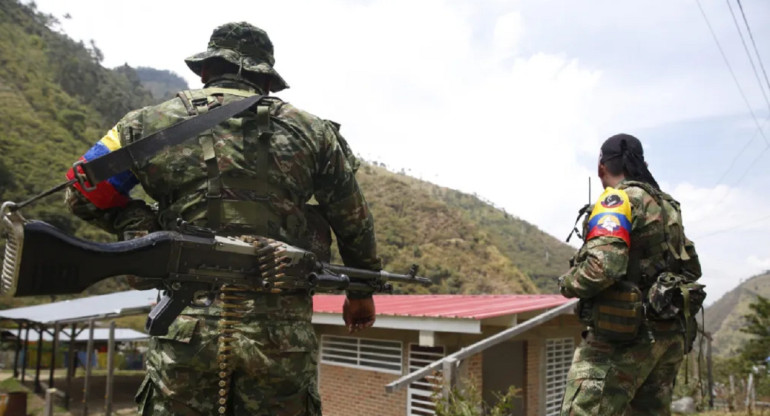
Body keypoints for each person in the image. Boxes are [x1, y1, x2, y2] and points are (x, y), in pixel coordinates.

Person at [64, 22, 381, 416]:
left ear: (205, 72)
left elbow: (82, 192)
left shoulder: (147, 124)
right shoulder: (314, 132)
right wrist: (361, 291)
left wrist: (145, 228)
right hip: (279, 337)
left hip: (184, 326)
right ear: (267, 80)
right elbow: (352, 219)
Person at [558, 134, 703, 416]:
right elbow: (690, 268)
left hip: (622, 338)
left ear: (601, 167)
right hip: (667, 337)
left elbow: (602, 268)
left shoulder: (617, 199)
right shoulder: (667, 207)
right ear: (642, 163)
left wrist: (566, 283)